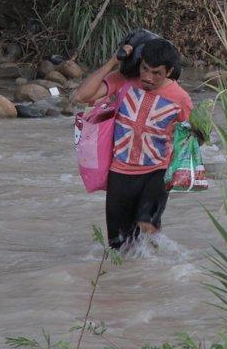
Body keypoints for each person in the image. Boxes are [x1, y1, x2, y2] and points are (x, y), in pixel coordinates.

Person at [74, 38, 193, 249]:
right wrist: (113, 62)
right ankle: (134, 276)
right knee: (118, 245)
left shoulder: (180, 98)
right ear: (139, 62)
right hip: (120, 172)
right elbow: (82, 95)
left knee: (147, 223)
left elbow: (187, 136)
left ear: (170, 71)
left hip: (157, 171)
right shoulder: (124, 80)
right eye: (145, 68)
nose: (147, 77)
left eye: (156, 73)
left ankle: (166, 268)